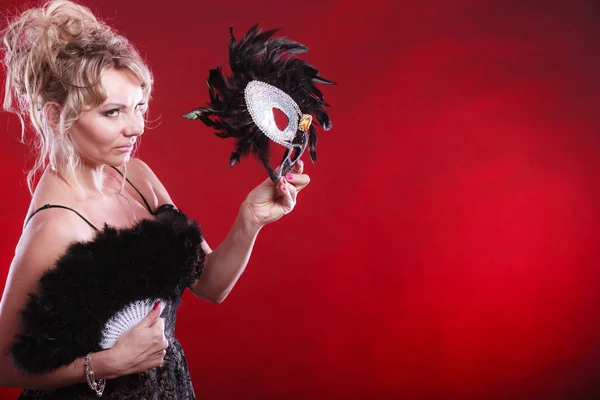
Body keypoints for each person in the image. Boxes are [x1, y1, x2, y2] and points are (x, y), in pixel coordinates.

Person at [0, 1, 310, 398]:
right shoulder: (55, 224)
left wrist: (249, 219)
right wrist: (107, 364)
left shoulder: (140, 179)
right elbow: (5, 365)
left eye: (139, 107)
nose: (134, 128)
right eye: (112, 113)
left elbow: (211, 286)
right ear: (56, 114)